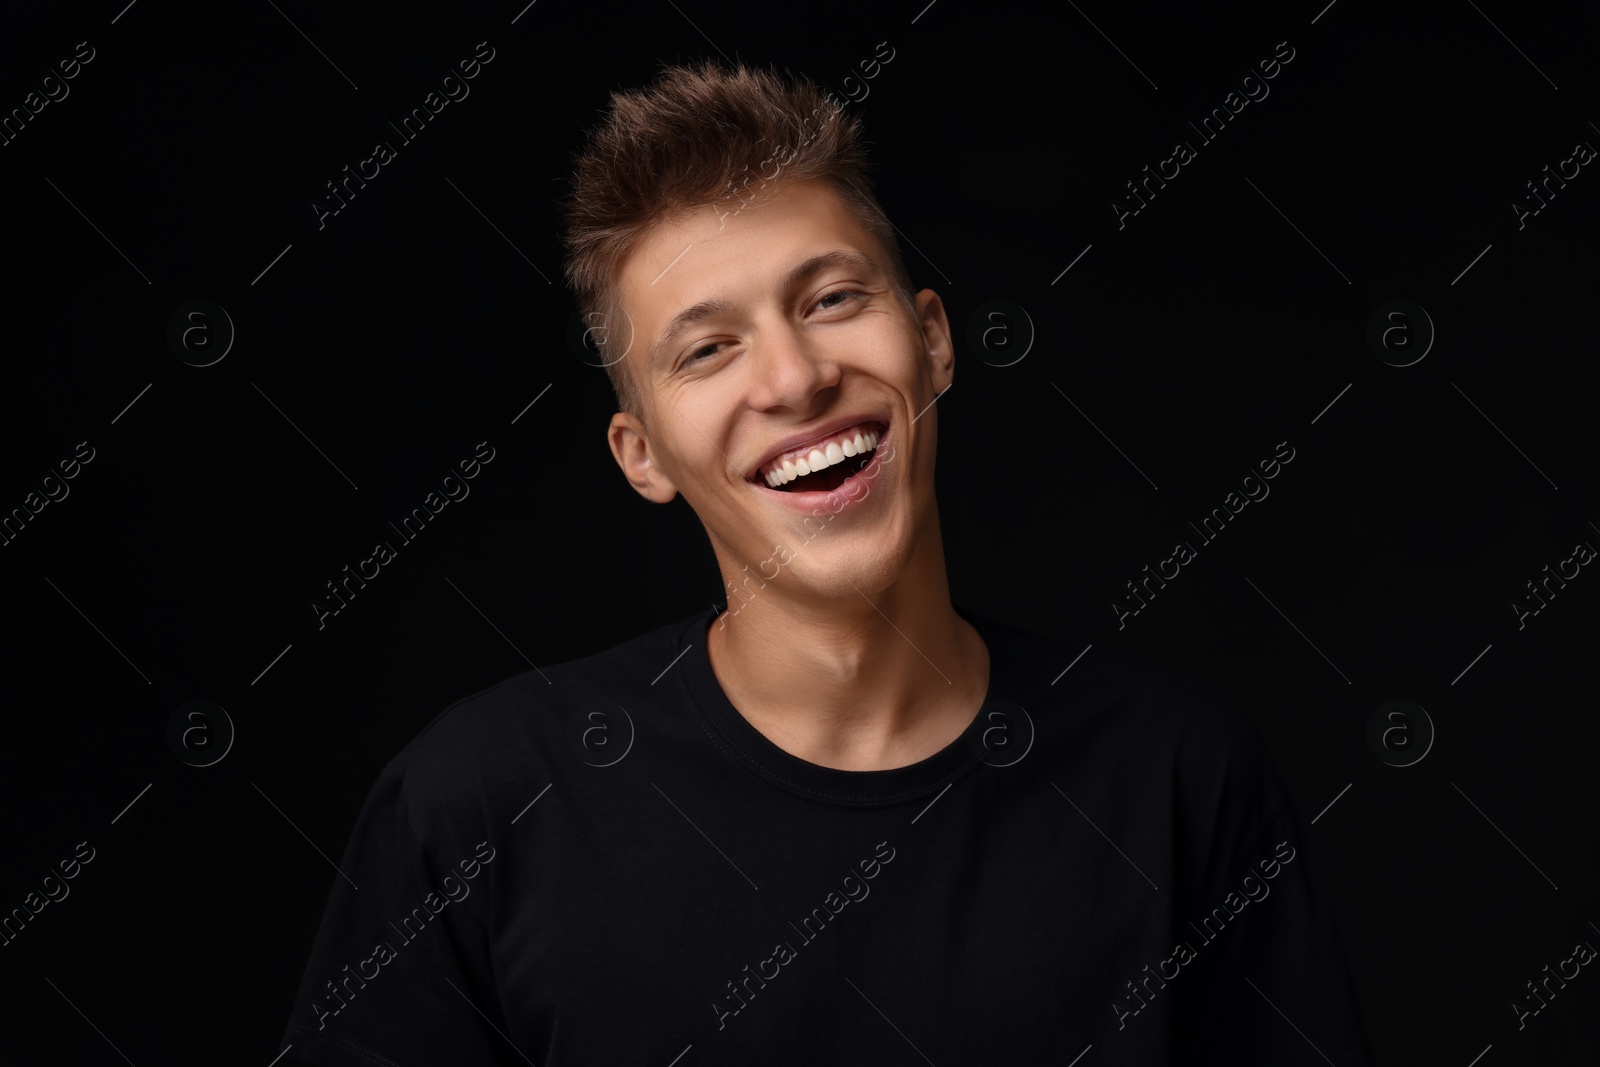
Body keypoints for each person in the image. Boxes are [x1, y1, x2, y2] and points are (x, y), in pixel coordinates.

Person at [280, 60, 1377, 1065]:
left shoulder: (1176, 774)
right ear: (642, 452)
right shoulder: (478, 807)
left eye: (831, 298)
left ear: (934, 340)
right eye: (708, 348)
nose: (795, 377)